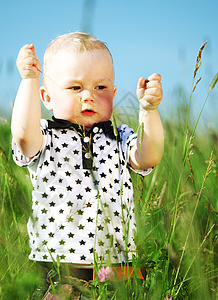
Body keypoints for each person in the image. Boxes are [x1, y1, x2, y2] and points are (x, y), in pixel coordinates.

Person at [11, 32, 164, 297]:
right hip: (59, 269)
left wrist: (149, 111)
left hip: (117, 267)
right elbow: (23, 136)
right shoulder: (45, 135)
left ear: (113, 94)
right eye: (75, 88)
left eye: (100, 88)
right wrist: (29, 80)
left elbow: (148, 156)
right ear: (46, 98)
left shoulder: (119, 136)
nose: (88, 96)